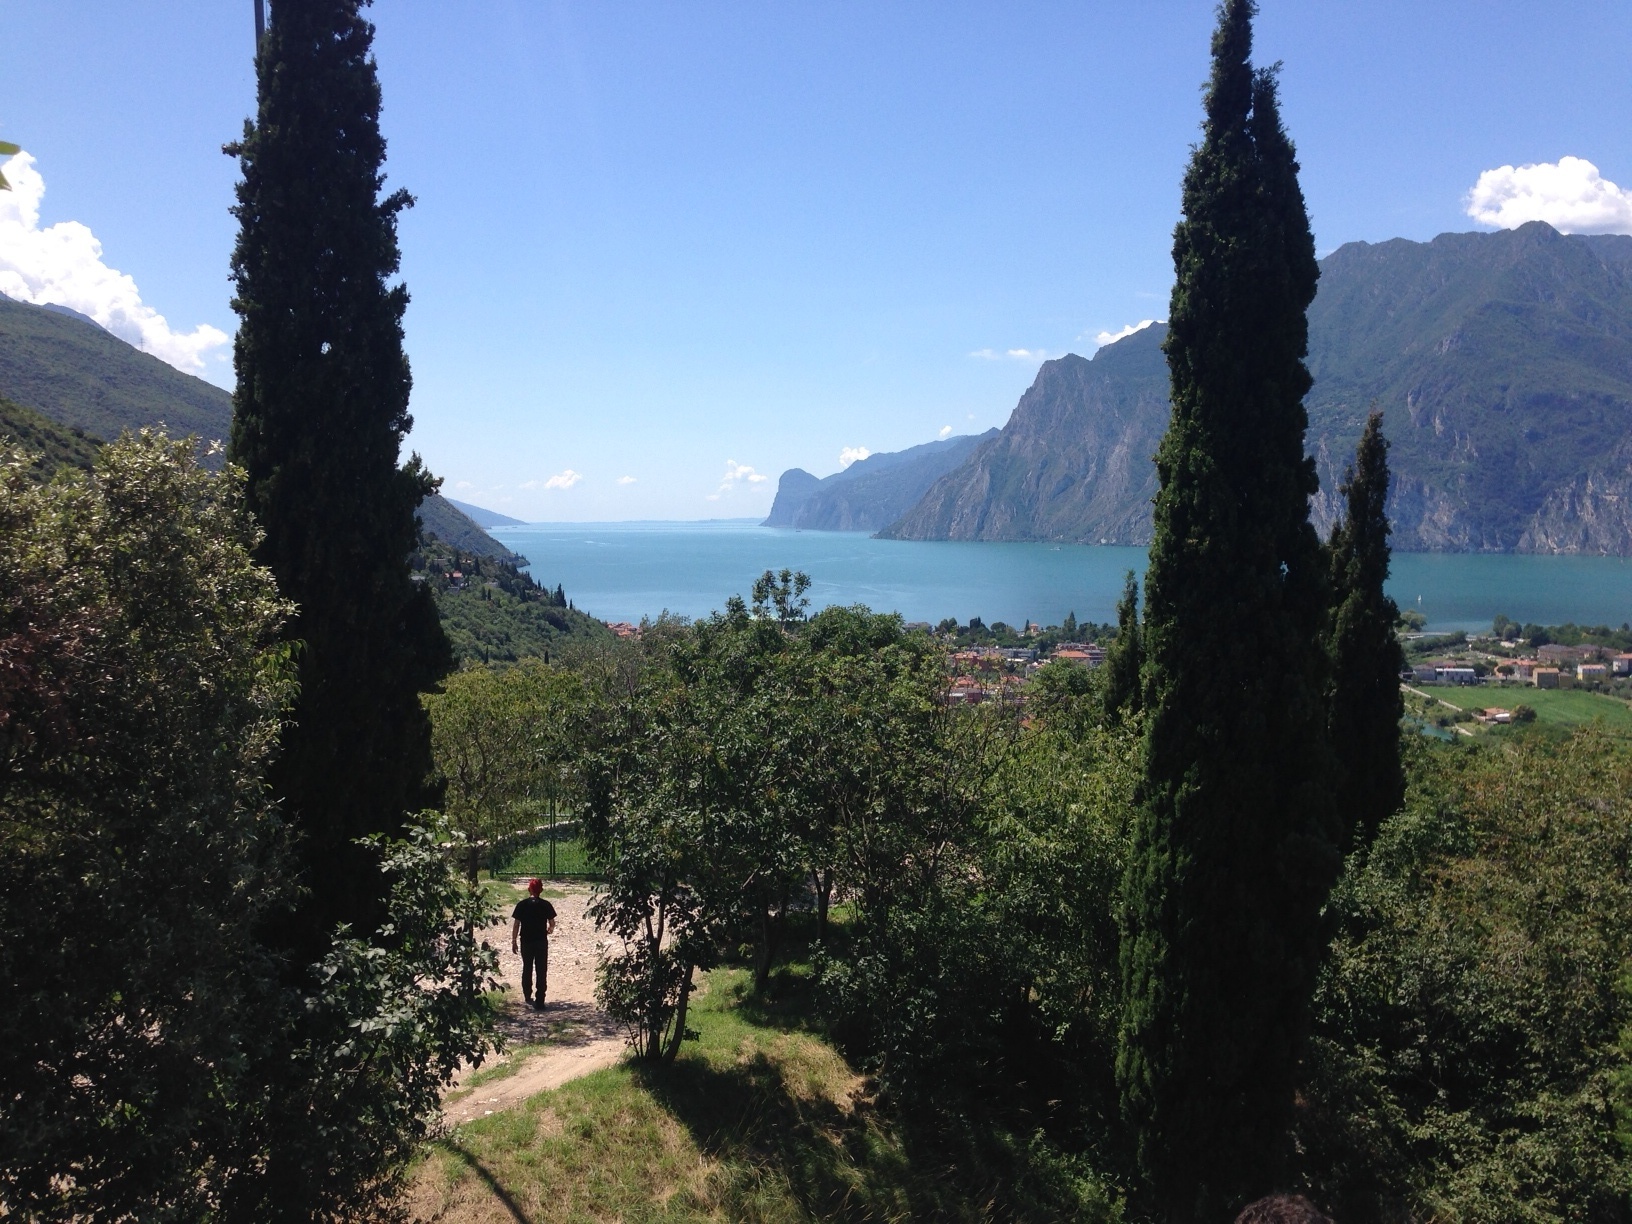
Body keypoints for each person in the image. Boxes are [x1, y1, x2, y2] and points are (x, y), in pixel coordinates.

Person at [510, 879, 556, 1010]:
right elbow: (552, 923)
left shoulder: (522, 905)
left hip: (526, 941)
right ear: (541, 890)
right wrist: (549, 930)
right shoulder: (546, 905)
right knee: (541, 970)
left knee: (527, 967)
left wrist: (513, 941)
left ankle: (527, 995)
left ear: (528, 889)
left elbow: (516, 924)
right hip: (541, 941)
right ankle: (540, 1000)